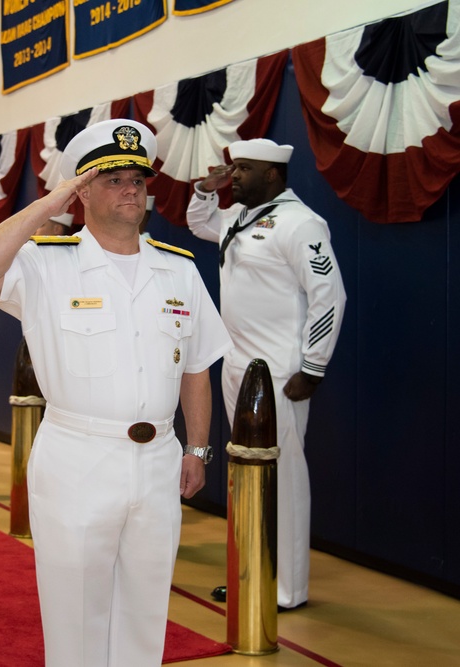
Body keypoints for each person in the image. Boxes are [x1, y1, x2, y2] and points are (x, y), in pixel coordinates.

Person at [0, 119, 232, 667]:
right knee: (76, 613)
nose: (131, 187)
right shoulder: (44, 263)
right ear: (82, 191)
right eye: (113, 179)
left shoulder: (178, 271)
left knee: (145, 608)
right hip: (77, 459)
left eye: (138, 178)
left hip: (157, 460)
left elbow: (196, 368)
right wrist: (54, 197)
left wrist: (197, 448)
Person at [186, 138, 346, 611]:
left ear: (273, 175)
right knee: (246, 475)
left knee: (284, 477)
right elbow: (199, 223)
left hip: (279, 373)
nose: (233, 176)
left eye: (244, 170)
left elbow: (329, 297)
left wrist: (312, 368)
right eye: (234, 168)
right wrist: (204, 189)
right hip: (238, 366)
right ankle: (250, 573)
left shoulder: (301, 224)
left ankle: (286, 588)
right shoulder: (239, 215)